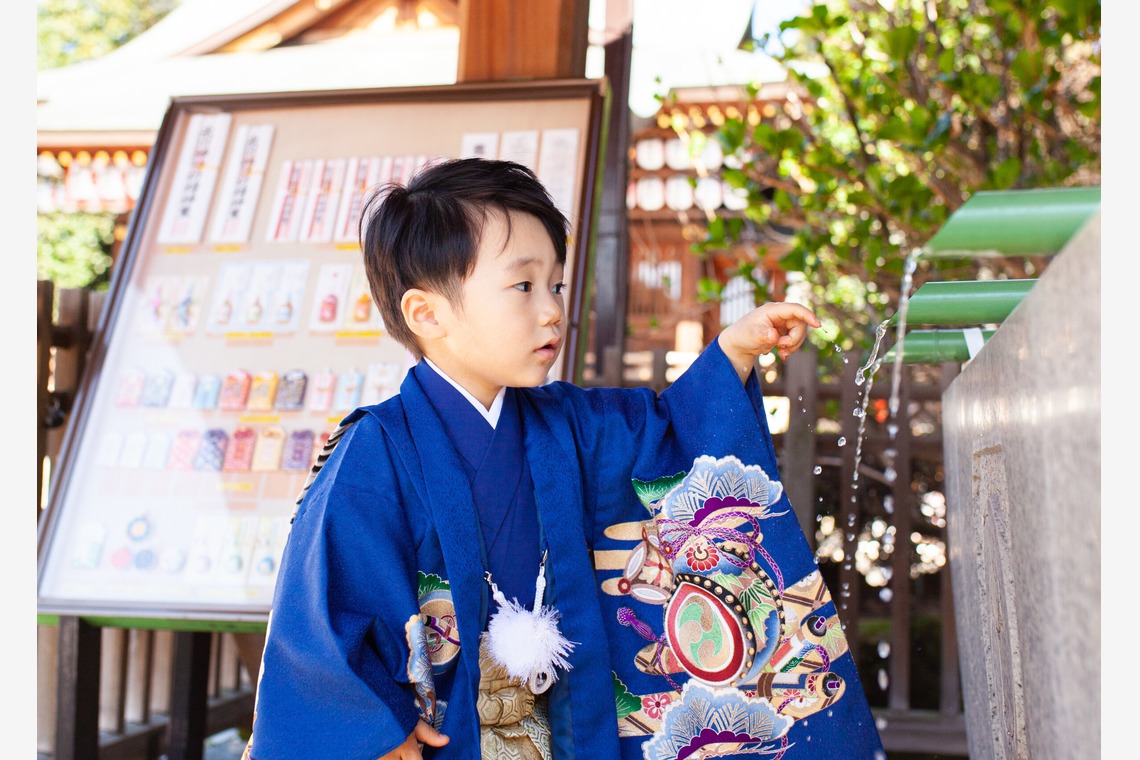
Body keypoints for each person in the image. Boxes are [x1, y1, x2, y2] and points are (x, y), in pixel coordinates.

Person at [245, 158, 884, 759]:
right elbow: (323, 614)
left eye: (554, 282)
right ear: (426, 313)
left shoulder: (571, 424)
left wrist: (731, 357)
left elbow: (670, 433)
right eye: (522, 285)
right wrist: (371, 726)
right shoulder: (375, 450)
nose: (552, 308)